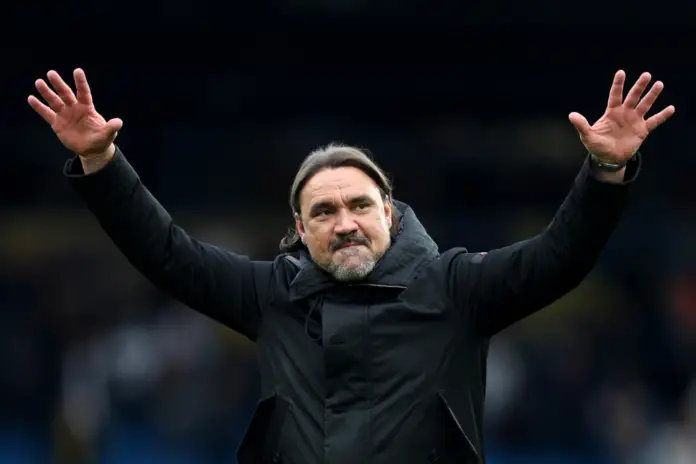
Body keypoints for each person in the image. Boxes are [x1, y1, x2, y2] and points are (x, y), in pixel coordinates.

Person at [28, 68, 674, 464]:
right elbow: (166, 252)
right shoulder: (271, 294)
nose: (345, 223)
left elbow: (561, 256)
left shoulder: (457, 286)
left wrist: (605, 170)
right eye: (325, 211)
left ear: (390, 214)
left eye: (360, 205)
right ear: (300, 231)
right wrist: (102, 164)